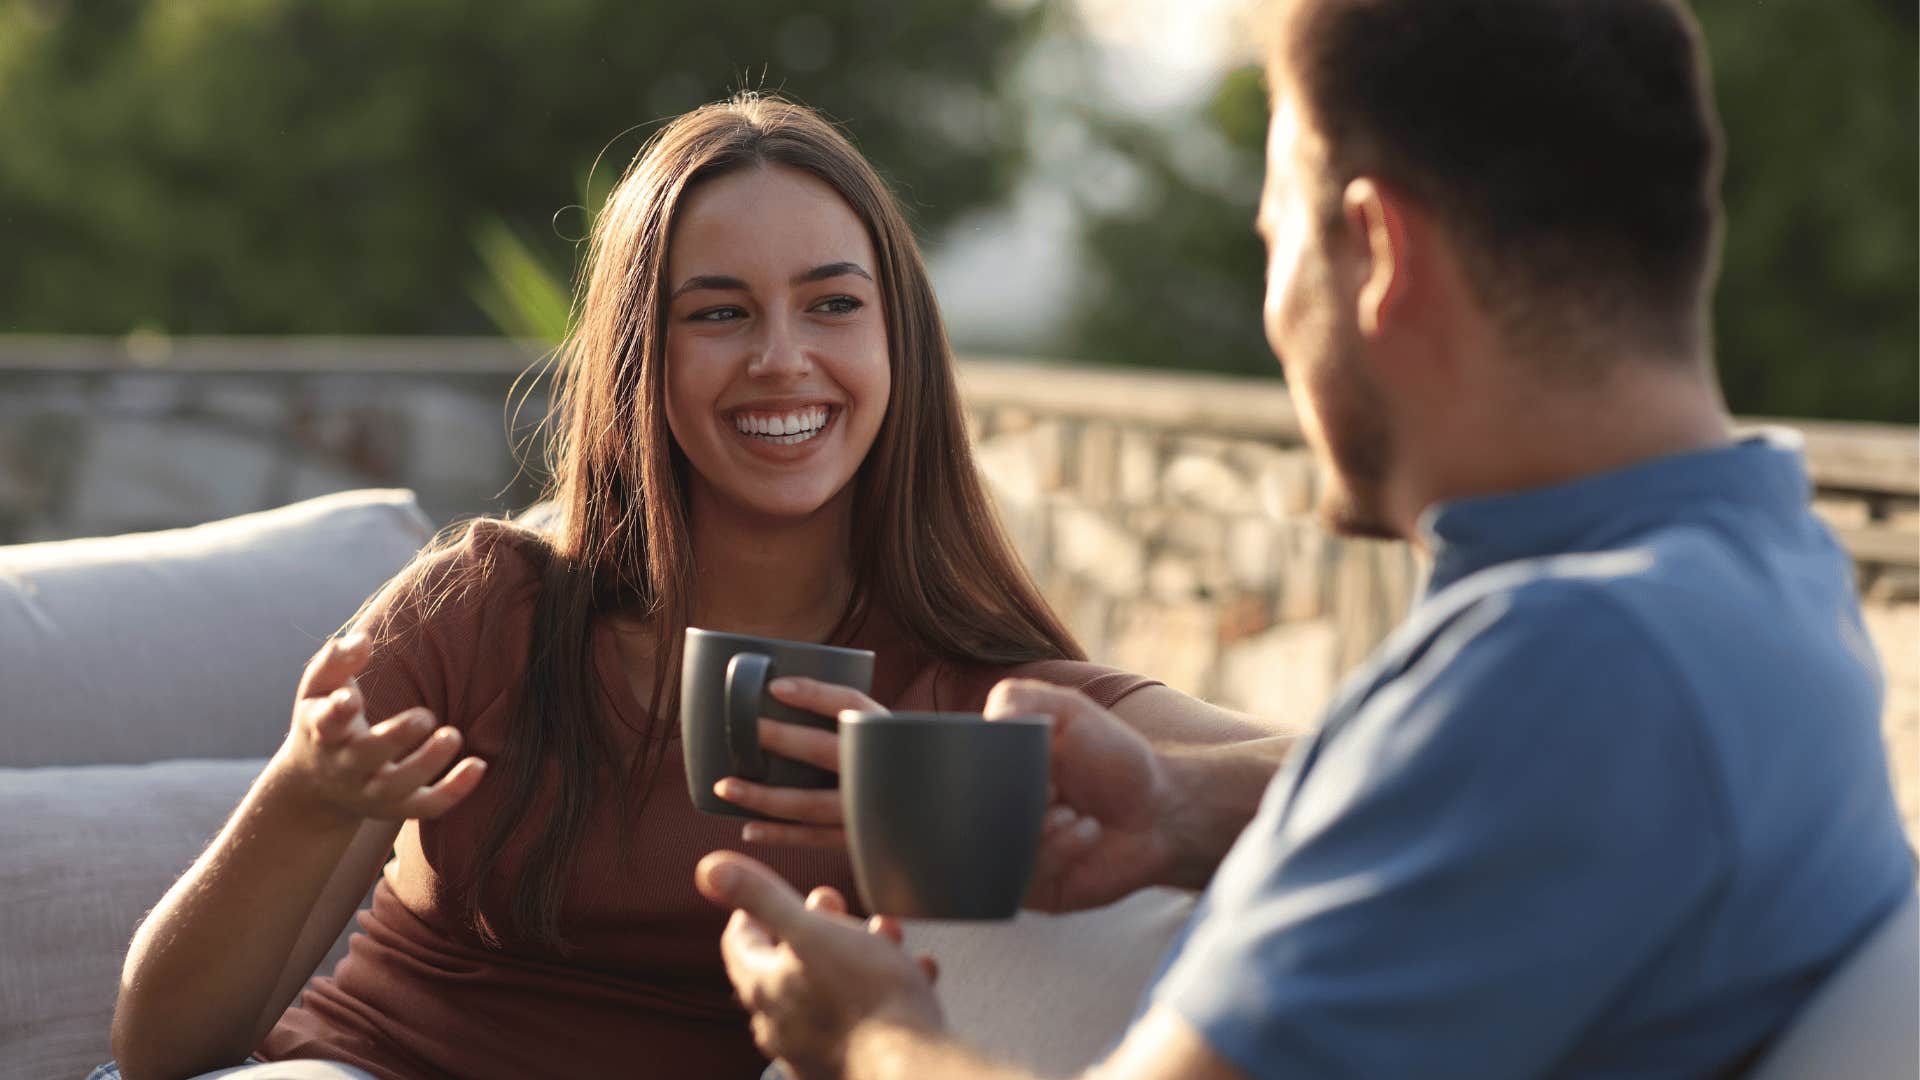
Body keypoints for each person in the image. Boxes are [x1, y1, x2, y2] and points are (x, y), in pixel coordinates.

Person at [696, 2, 1918, 1077]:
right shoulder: (1755, 558)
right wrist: (1176, 809)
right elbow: (1510, 835)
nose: (1276, 306)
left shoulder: (1579, 656)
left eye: (1274, 238)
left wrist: (870, 1041)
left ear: (1375, 253)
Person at [105, 94, 1270, 1080]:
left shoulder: (975, 691)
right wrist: (307, 794)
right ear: (640, 359)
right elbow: (161, 1046)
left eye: (831, 304)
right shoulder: (485, 606)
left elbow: (1360, 776)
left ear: (897, 344)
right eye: (719, 312)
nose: (781, 357)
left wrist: (1141, 795)